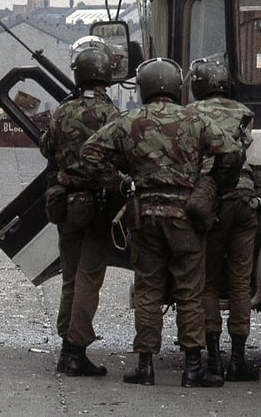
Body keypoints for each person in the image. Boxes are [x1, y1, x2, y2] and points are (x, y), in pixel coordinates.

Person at [79, 58, 244, 388]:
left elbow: (89, 153)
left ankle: (145, 366)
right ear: (176, 87)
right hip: (186, 217)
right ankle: (193, 367)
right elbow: (233, 151)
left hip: (145, 217)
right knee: (190, 290)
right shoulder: (194, 119)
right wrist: (213, 184)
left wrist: (120, 182)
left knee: (148, 291)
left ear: (144, 89)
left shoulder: (129, 121)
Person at [41, 44, 119, 377]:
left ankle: (66, 345)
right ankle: (76, 350)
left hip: (64, 205)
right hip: (97, 206)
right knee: (89, 279)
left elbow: (47, 147)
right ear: (104, 77)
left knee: (71, 278)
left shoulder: (61, 111)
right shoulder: (111, 115)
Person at [188, 57, 260, 382]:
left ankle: (213, 359)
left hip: (213, 200)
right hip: (244, 199)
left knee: (210, 282)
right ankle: (239, 360)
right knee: (241, 283)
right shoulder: (244, 111)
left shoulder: (191, 114)